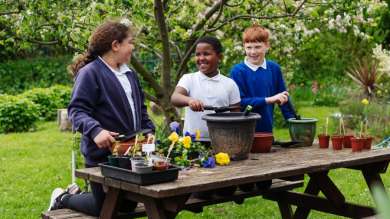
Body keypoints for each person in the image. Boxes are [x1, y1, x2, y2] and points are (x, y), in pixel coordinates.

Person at [47, 19, 155, 216]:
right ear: (116, 45)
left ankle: (76, 193)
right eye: (130, 42)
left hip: (130, 154)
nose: (133, 48)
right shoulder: (90, 73)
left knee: (127, 205)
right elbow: (77, 110)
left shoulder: (130, 74)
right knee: (105, 208)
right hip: (102, 158)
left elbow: (141, 109)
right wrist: (96, 131)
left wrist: (149, 131)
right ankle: (62, 197)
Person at [171, 36, 241, 138]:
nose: (201, 58)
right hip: (192, 144)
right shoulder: (189, 79)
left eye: (206, 54)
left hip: (222, 143)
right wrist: (189, 100)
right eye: (198, 54)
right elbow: (175, 97)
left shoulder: (230, 84)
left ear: (219, 57)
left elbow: (236, 117)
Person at [230, 24, 295, 133]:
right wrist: (268, 100)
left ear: (266, 46)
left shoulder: (274, 69)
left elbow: (283, 99)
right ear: (244, 47)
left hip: (267, 132)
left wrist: (295, 123)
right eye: (249, 47)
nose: (253, 52)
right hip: (244, 132)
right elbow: (240, 103)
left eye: (257, 47)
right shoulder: (238, 71)